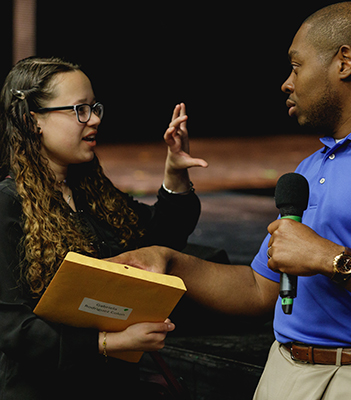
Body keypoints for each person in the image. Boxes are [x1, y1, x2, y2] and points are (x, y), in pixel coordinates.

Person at [110, 3, 351, 399]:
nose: (287, 82)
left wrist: (332, 260)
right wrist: (169, 261)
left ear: (344, 62)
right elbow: (257, 288)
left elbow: (324, 258)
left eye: (296, 66)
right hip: (283, 370)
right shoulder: (313, 164)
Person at [0, 56, 207, 399]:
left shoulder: (89, 191)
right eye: (79, 110)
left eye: (94, 107)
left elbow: (160, 240)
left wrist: (175, 171)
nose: (94, 119)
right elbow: (11, 328)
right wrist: (108, 342)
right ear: (32, 120)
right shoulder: (8, 204)